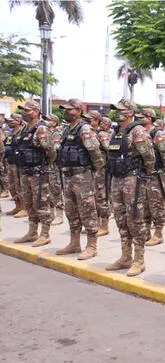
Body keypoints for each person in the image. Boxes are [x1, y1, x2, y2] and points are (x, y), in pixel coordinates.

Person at [105, 99, 155, 277]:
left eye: (121, 110)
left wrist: (144, 177)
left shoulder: (138, 131)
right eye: (116, 110)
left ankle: (139, 260)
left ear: (130, 112)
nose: (117, 113)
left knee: (135, 219)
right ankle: (125, 256)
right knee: (121, 219)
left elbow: (149, 157)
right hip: (117, 180)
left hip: (133, 180)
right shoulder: (117, 131)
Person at [54, 99, 105, 260]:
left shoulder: (85, 129)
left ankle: (91, 246)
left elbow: (95, 152)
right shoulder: (66, 130)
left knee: (88, 210)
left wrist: (94, 170)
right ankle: (74, 243)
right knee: (71, 211)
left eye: (70, 109)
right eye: (65, 109)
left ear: (78, 110)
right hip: (68, 176)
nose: (66, 112)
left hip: (83, 176)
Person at [14, 101, 57, 247]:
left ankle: (45, 234)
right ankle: (32, 232)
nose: (25, 113)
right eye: (24, 110)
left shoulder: (41, 128)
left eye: (28, 110)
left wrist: (45, 165)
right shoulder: (25, 128)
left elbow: (50, 151)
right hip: (25, 171)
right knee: (29, 202)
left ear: (37, 111)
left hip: (38, 172)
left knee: (41, 203)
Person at [135, 109, 165, 247]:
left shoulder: (158, 134)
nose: (139, 119)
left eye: (142, 117)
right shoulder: (140, 133)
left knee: (156, 205)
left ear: (150, 118)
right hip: (143, 174)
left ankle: (158, 233)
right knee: (144, 205)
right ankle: (147, 233)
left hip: (156, 175)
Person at [84, 111, 111, 236]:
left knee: (102, 197)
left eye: (90, 119)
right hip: (90, 169)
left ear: (96, 120)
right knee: (92, 198)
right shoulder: (87, 132)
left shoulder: (102, 134)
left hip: (101, 170)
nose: (87, 120)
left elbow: (109, 149)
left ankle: (104, 226)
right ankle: (95, 224)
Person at [44, 114, 64, 226]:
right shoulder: (44, 131)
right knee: (47, 189)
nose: (47, 121)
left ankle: (59, 214)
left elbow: (55, 148)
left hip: (54, 164)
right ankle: (50, 213)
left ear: (55, 122)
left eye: (49, 120)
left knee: (55, 188)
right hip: (45, 164)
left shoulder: (57, 133)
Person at [4, 114, 26, 217]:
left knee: (20, 186)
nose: (10, 122)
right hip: (10, 163)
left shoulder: (22, 133)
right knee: (12, 186)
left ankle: (24, 208)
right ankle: (18, 206)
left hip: (19, 164)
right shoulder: (10, 134)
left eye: (12, 120)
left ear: (18, 121)